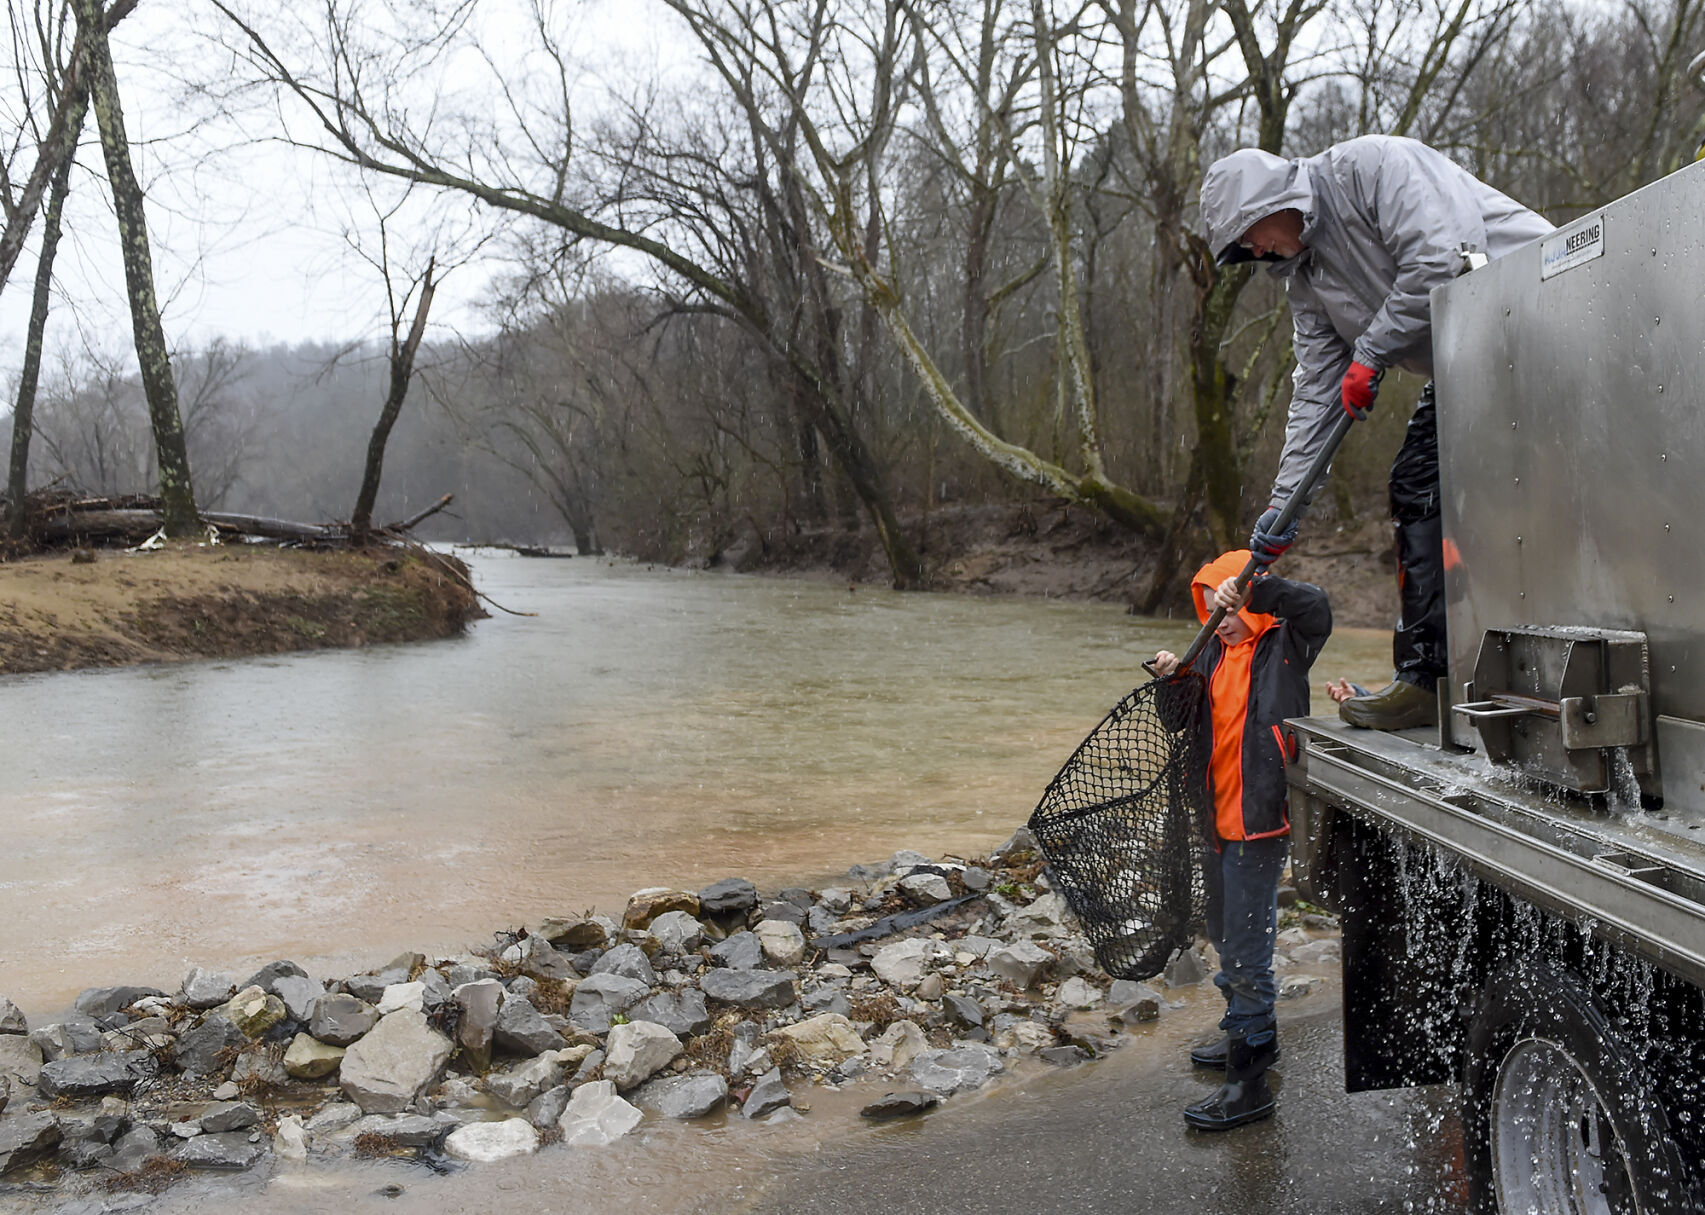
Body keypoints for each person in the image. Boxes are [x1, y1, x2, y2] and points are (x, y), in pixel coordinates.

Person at [1198, 135, 1552, 730]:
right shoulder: (1305, 285)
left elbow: (1442, 258)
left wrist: (1370, 352)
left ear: (1269, 204)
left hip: (1546, 304)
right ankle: (1426, 678)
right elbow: (1315, 399)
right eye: (1243, 249)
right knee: (1417, 484)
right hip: (1468, 360)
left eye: (1248, 237)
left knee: (1523, 487)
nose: (1254, 251)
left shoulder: (1372, 167)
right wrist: (1281, 515)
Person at [1152, 551, 1331, 1130]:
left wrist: (1257, 587)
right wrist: (1172, 678)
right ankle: (1249, 1035)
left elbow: (1318, 607)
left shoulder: (1286, 644)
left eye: (1224, 604)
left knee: (1247, 953)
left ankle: (1248, 1085)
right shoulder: (1208, 654)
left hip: (1259, 824)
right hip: (1213, 821)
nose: (1219, 617)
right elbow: (1177, 722)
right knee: (1225, 935)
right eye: (1208, 608)